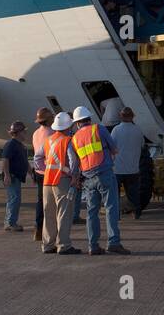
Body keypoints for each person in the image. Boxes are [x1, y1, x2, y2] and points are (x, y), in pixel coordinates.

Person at [68, 105, 130, 255]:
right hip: (105, 174)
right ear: (89, 118)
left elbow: (75, 163)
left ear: (77, 123)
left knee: (91, 212)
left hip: (88, 179)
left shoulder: (74, 139)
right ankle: (113, 243)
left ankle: (93, 246)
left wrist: (75, 179)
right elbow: (114, 149)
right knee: (111, 208)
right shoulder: (99, 129)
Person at [41, 113, 81, 256]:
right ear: (68, 126)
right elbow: (73, 161)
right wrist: (75, 176)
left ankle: (48, 245)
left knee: (49, 214)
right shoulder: (67, 140)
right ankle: (64, 245)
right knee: (64, 213)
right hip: (62, 180)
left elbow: (39, 158)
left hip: (47, 181)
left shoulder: (48, 140)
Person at [110, 106, 146, 219]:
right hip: (133, 168)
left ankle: (116, 215)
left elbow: (111, 146)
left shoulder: (116, 130)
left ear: (121, 117)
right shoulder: (138, 130)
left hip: (118, 169)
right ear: (132, 116)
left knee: (115, 194)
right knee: (133, 193)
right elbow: (142, 145)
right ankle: (136, 212)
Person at [30, 106, 54, 241]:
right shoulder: (52, 133)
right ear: (48, 119)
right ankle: (51, 232)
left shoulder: (35, 134)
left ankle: (38, 230)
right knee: (52, 203)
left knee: (40, 201)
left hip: (38, 171)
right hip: (50, 172)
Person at [1, 121, 30, 232]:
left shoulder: (20, 145)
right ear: (18, 133)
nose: (25, 133)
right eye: (24, 131)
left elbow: (25, 162)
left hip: (16, 177)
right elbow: (5, 160)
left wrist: (31, 173)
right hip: (12, 177)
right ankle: (10, 223)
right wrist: (7, 175)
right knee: (14, 199)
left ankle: (9, 222)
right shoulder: (11, 144)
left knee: (14, 199)